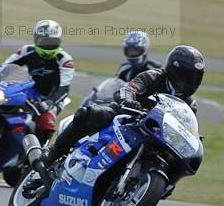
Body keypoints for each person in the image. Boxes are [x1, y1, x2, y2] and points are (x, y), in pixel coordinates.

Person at [41, 45, 205, 172]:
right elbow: (129, 88)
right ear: (173, 70)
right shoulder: (153, 76)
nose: (189, 81)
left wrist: (194, 136)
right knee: (88, 114)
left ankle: (165, 184)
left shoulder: (189, 104)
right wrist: (129, 100)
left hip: (156, 135)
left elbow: (188, 126)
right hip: (127, 116)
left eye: (195, 77)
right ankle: (54, 153)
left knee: (184, 157)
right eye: (186, 75)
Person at [2, 19, 74, 144]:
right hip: (31, 90)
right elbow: (4, 67)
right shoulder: (27, 50)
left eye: (52, 42)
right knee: (3, 102)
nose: (47, 45)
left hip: (54, 97)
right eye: (44, 41)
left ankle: (38, 154)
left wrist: (50, 102)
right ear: (36, 39)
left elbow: (64, 88)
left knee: (46, 123)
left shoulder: (64, 60)